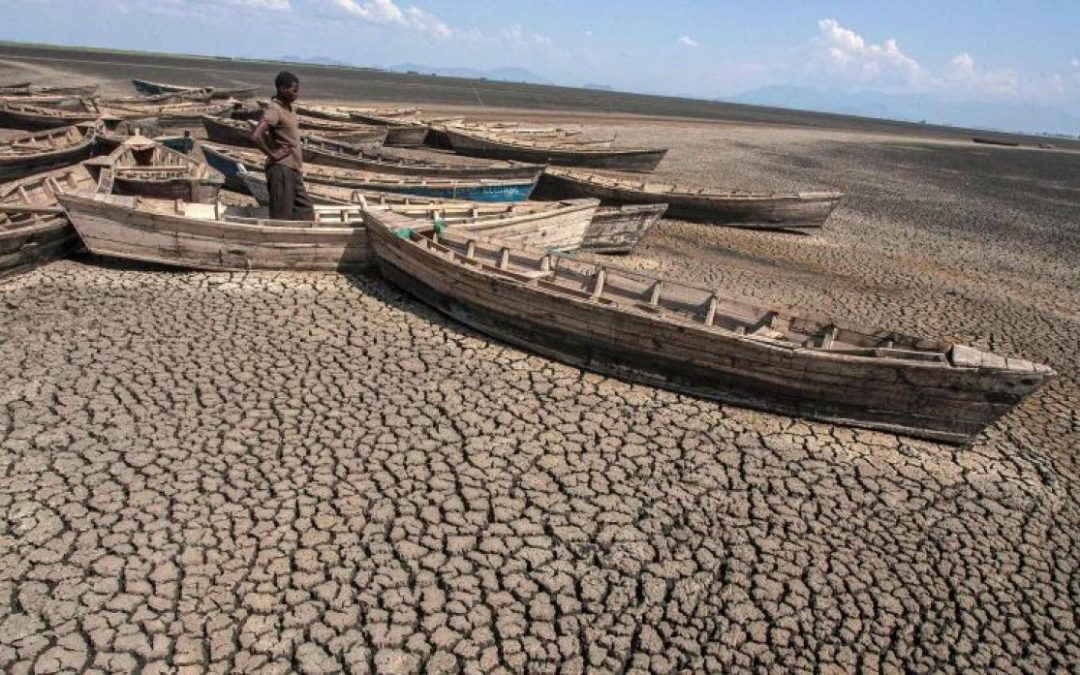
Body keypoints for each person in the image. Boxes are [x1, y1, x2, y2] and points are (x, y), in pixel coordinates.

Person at [251, 71, 314, 220]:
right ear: (282, 89)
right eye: (294, 91)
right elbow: (255, 136)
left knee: (305, 210)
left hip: (294, 168)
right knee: (281, 215)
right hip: (281, 169)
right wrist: (272, 154)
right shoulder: (275, 110)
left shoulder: (290, 109)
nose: (296, 95)